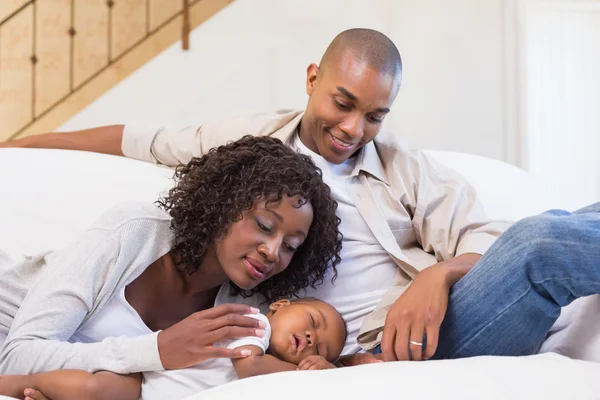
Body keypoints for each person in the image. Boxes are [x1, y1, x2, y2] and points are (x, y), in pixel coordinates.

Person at [2, 28, 597, 365]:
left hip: (436, 322)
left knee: (570, 223)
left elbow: (488, 243)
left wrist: (433, 280)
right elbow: (136, 139)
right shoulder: (243, 148)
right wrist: (14, 146)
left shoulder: (405, 168)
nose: (352, 129)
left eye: (374, 116)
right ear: (313, 79)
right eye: (343, 103)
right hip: (365, 350)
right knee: (543, 243)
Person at [0, 136, 342, 396]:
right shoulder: (134, 232)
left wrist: (342, 362)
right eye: (265, 226)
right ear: (225, 205)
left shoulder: (245, 313)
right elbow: (16, 355)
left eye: (290, 246)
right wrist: (158, 350)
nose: (272, 251)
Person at [0, 298, 347, 400]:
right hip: (139, 379)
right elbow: (248, 367)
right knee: (97, 388)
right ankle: (14, 385)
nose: (313, 338)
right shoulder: (252, 323)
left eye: (323, 347)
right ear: (280, 304)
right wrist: (313, 373)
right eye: (313, 321)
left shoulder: (276, 374)